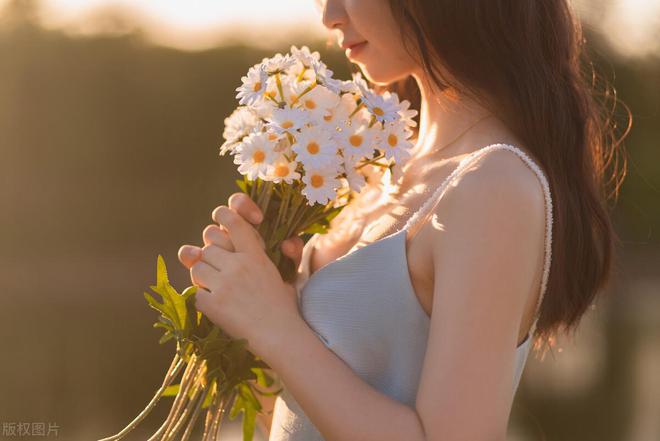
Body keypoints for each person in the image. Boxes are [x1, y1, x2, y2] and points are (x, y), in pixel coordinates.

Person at [178, 0, 629, 439]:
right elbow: (298, 418)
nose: (330, 15)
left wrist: (274, 326)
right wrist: (258, 294)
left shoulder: (494, 184)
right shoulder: (375, 171)